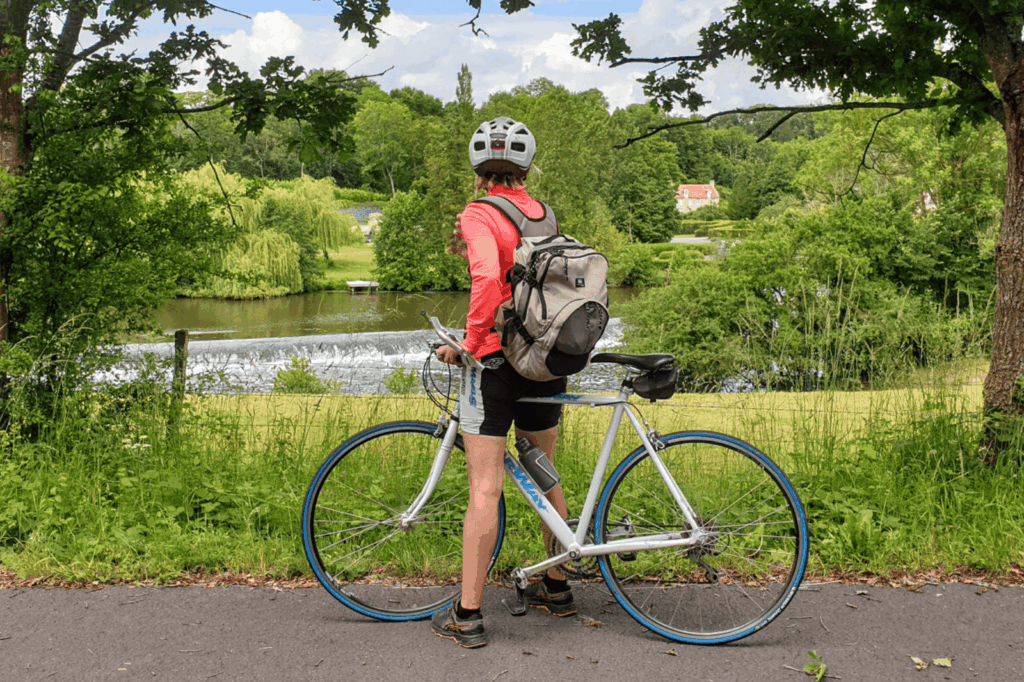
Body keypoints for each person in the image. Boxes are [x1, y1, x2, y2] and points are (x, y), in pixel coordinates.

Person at [431, 116, 575, 648]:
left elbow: (489, 281)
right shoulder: (544, 213)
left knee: (484, 488)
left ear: (478, 171)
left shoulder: (477, 213)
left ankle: (467, 615)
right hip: (545, 360)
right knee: (543, 470)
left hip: (495, 366)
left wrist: (468, 344)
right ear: (526, 168)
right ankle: (555, 585)